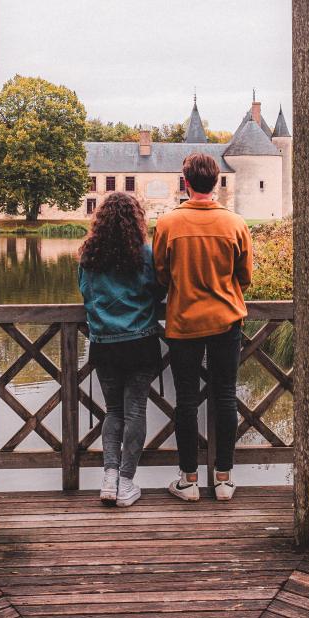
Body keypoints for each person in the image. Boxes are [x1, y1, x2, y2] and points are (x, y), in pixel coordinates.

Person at [153, 152, 252, 502]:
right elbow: (245, 276)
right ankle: (223, 480)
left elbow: (161, 275)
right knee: (226, 397)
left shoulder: (168, 223)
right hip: (226, 319)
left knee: (186, 402)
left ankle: (189, 480)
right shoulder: (235, 223)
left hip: (184, 322)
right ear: (215, 182)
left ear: (186, 181)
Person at [77, 191, 164, 508]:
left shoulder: (89, 255)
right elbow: (159, 288)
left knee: (113, 412)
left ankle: (109, 479)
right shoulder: (145, 254)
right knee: (134, 411)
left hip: (105, 344)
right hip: (141, 342)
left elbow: (86, 294)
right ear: (136, 221)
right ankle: (127, 482)